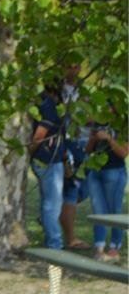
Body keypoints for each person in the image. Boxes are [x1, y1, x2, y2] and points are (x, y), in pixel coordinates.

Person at [30, 79, 66, 250]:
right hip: (49, 160)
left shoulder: (40, 100)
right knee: (53, 204)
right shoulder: (49, 106)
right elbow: (39, 135)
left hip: (44, 159)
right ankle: (55, 244)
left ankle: (49, 239)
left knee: (47, 202)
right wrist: (30, 152)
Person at [86, 118, 128, 261]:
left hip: (114, 171)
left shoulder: (123, 123)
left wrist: (109, 138)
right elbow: (88, 150)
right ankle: (99, 247)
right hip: (95, 171)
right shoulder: (97, 123)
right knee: (98, 212)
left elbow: (123, 153)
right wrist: (93, 138)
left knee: (114, 211)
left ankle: (115, 247)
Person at [59, 61, 90, 249]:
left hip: (85, 144)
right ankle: (71, 239)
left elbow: (90, 115)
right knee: (70, 189)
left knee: (84, 189)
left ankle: (56, 211)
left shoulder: (84, 90)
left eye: (77, 65)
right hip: (68, 142)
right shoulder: (56, 90)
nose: (75, 68)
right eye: (71, 65)